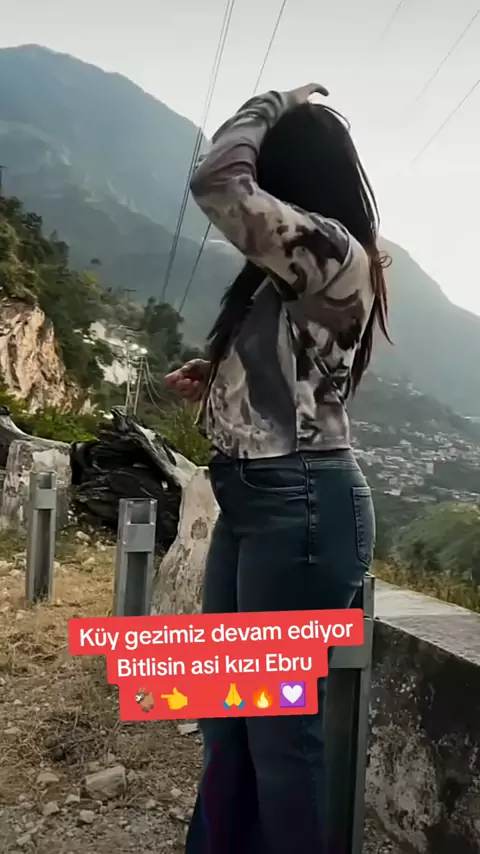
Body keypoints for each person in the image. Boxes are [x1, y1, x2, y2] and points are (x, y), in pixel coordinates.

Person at [164, 82, 390, 854]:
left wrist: (271, 103)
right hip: (260, 503)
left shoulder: (335, 251)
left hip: (302, 511)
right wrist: (219, 372)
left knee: (279, 743)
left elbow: (215, 181)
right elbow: (298, 375)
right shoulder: (301, 263)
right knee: (226, 717)